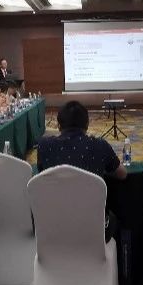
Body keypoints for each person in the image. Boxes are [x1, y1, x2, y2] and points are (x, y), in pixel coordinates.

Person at [35, 101, 124, 241]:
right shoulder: (100, 146)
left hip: (54, 227)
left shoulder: (44, 146)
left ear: (58, 125)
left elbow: (42, 173)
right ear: (87, 124)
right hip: (93, 230)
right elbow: (122, 174)